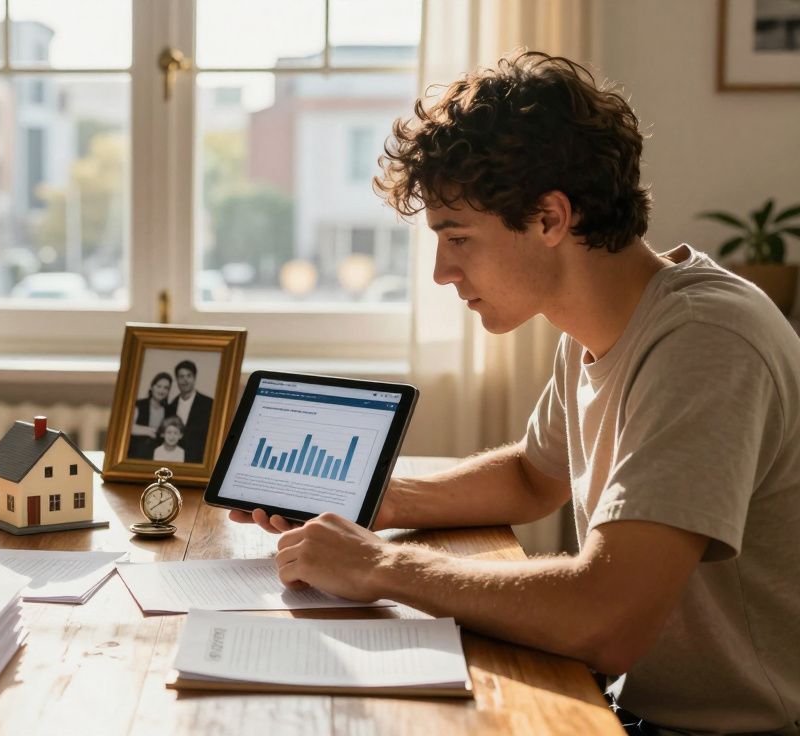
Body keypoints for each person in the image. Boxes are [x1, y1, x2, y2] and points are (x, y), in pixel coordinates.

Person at [232, 52, 800, 734]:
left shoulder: (707, 341)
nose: (442, 271)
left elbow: (606, 618)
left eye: (457, 236)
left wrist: (381, 566)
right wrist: (372, 501)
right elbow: (534, 477)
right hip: (637, 707)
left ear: (550, 218)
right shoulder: (600, 326)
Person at [166, 360, 213, 463]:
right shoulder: (170, 407)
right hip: (174, 461)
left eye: (189, 376)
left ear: (194, 378)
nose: (185, 380)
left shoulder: (209, 404)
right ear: (177, 380)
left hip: (200, 462)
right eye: (181, 376)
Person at [128, 371, 173, 459]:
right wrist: (151, 431)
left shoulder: (169, 411)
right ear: (152, 387)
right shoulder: (139, 404)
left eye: (166, 388)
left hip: (157, 457)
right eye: (159, 386)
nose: (162, 390)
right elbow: (129, 428)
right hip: (135, 455)